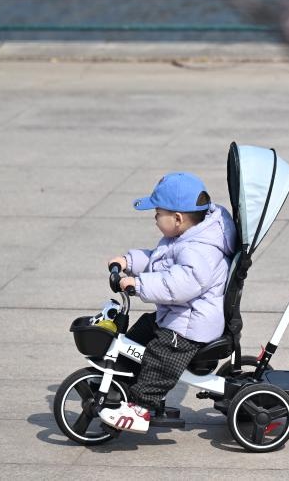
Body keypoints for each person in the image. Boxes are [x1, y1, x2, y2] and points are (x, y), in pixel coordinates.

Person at [99, 172, 237, 433]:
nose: (154, 217)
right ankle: (125, 378)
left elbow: (179, 284)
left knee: (160, 357)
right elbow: (158, 260)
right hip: (179, 316)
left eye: (157, 212)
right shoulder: (184, 237)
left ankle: (141, 407)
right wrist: (129, 262)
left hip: (190, 325)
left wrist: (139, 285)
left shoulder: (198, 249)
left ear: (177, 219)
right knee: (142, 330)